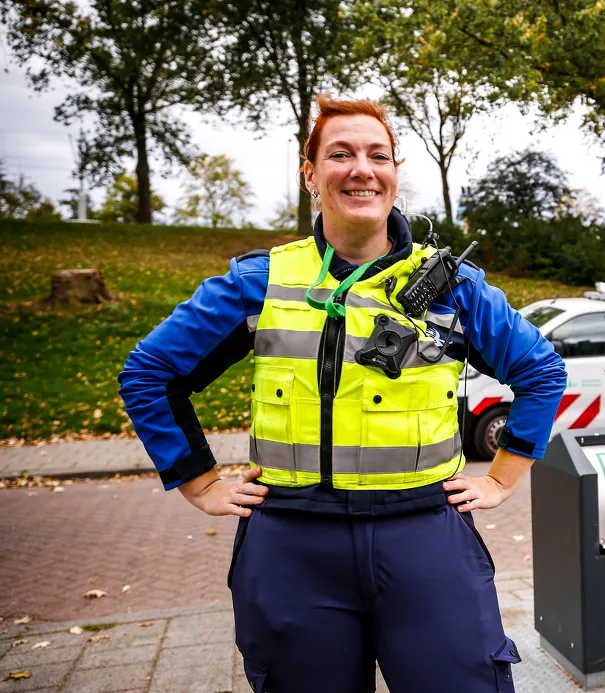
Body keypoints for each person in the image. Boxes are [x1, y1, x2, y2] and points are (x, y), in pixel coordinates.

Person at [118, 95, 566, 692]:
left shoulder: (452, 288)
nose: (362, 168)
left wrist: (503, 477)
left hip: (425, 537)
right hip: (291, 546)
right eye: (340, 154)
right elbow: (149, 373)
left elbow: (541, 371)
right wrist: (197, 481)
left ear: (395, 174)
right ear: (310, 174)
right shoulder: (259, 281)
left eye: (378, 154)